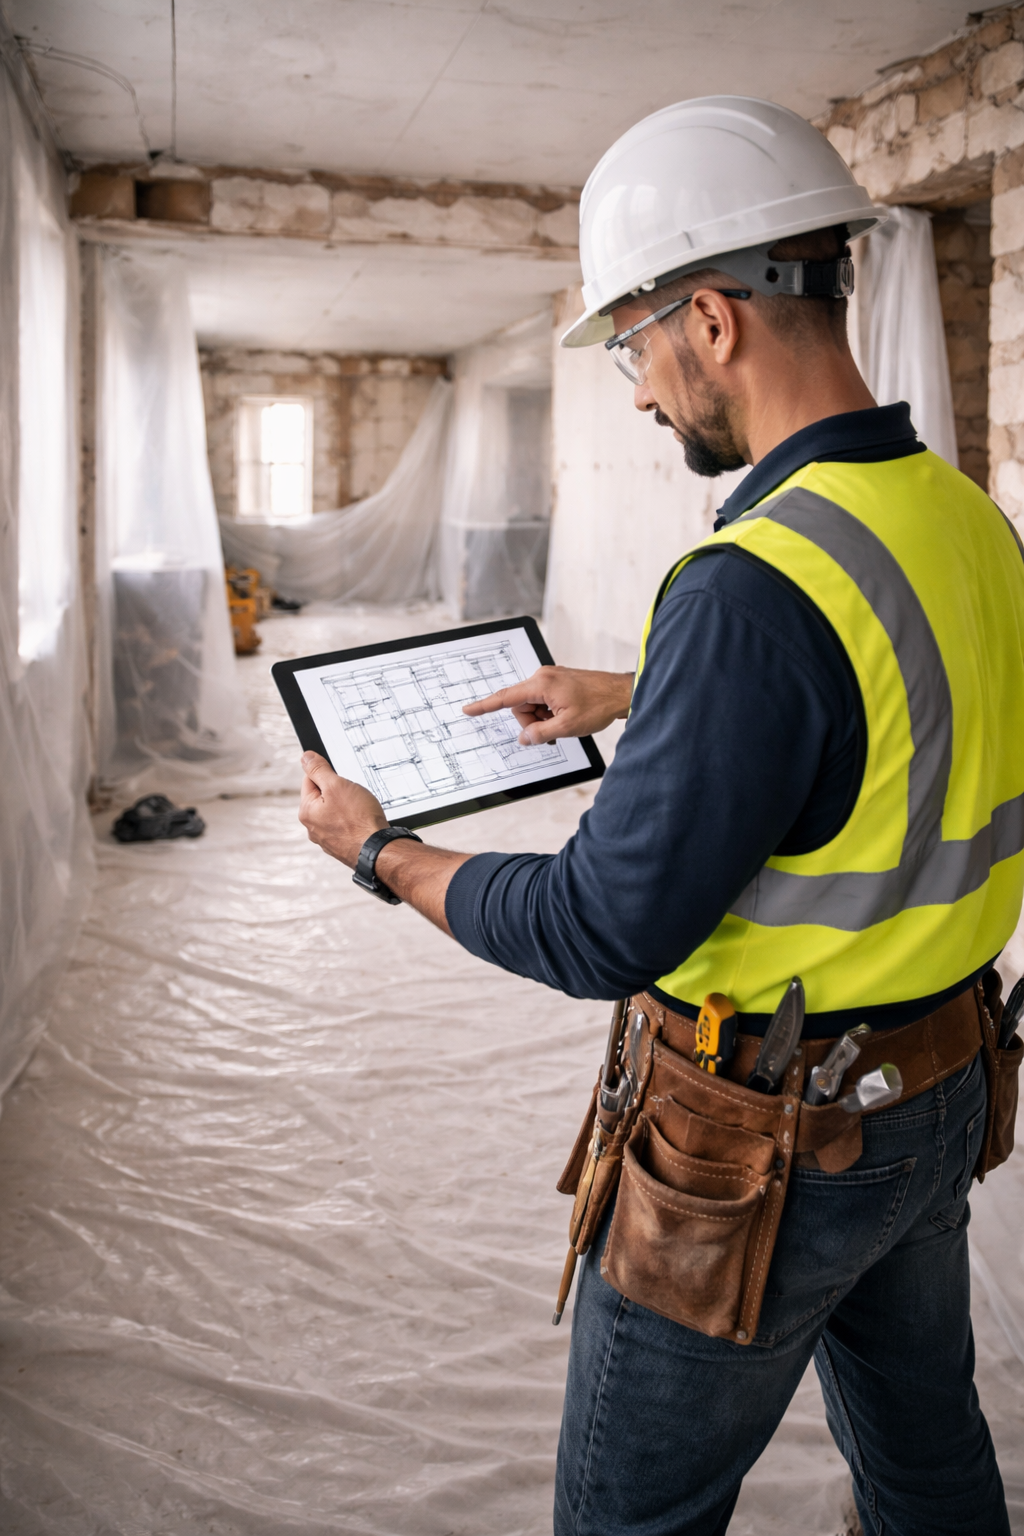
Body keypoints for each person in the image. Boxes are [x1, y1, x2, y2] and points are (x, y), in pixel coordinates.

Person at [298, 97, 1024, 1536]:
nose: (635, 391)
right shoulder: (961, 516)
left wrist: (387, 852)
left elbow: (597, 923)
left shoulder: (751, 582)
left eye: (630, 346)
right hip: (938, 1086)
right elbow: (910, 704)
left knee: (633, 1517)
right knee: (931, 1461)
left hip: (753, 1148)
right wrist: (643, 693)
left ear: (710, 318)